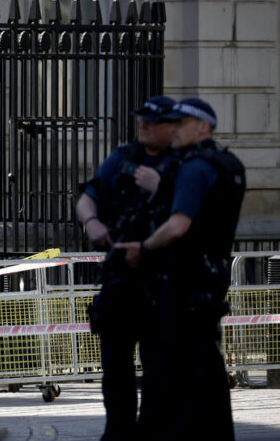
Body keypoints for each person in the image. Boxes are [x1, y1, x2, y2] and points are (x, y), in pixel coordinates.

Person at [115, 98, 245, 440]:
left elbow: (178, 225)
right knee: (206, 367)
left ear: (203, 127)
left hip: (182, 281)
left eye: (181, 123)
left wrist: (143, 247)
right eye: (171, 122)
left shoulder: (193, 168)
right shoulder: (227, 164)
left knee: (171, 372)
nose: (173, 129)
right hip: (211, 278)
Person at [75, 95, 178, 441]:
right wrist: (90, 221)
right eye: (141, 120)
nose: (144, 126)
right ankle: (117, 432)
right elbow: (89, 194)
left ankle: (151, 432)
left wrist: (160, 186)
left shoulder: (184, 161)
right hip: (121, 278)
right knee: (115, 366)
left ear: (171, 127)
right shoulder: (123, 157)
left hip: (162, 281)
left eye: (153, 121)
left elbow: (197, 212)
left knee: (159, 369)